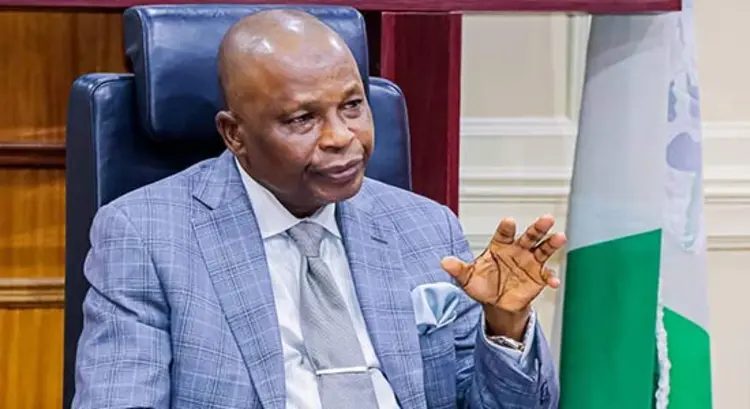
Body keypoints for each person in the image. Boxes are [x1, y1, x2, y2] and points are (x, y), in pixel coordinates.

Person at [72, 9, 565, 409]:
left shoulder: (424, 227)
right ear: (235, 134)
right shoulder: (146, 236)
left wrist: (504, 326)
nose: (341, 137)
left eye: (352, 106)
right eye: (302, 119)